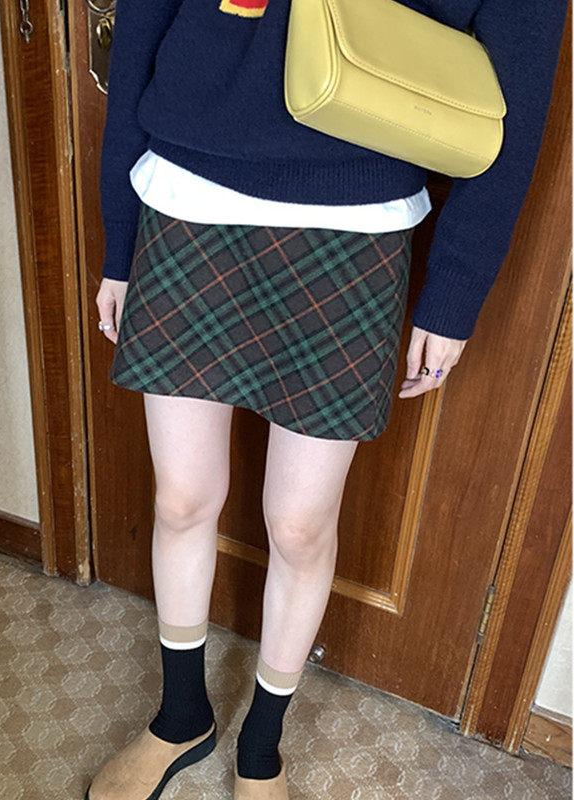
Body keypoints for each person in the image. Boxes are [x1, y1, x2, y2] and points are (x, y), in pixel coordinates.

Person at [86, 1, 567, 798]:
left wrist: (455, 294)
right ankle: (180, 716)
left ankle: (262, 748)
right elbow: (140, 29)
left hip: (359, 225)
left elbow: (514, 100)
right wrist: (120, 240)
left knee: (301, 525)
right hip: (184, 195)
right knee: (181, 499)